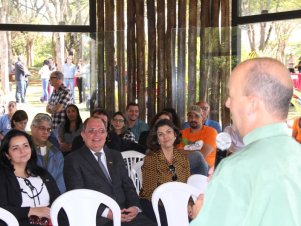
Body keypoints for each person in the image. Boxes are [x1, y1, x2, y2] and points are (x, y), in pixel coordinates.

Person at [191, 58, 301, 226]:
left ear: (252, 104)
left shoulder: (235, 169)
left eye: (231, 96)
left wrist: (200, 216)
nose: (227, 103)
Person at [64, 116, 156, 226]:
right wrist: (108, 213)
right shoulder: (73, 160)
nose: (97, 134)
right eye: (91, 131)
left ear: (106, 134)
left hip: (126, 214)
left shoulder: (115, 155)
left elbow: (128, 185)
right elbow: (78, 194)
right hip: (98, 218)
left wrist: (135, 207)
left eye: (101, 131)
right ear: (83, 135)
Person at [0, 130, 61, 226]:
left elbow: (58, 202)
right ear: (7, 154)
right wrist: (30, 211)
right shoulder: (3, 177)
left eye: (25, 146)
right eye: (15, 148)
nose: (22, 151)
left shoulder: (43, 174)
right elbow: (2, 209)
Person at [140, 119, 190, 226]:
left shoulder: (183, 158)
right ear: (158, 139)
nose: (165, 136)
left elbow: (186, 186)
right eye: (161, 134)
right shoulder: (151, 159)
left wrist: (189, 204)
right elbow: (149, 191)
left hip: (178, 203)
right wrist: (171, 204)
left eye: (168, 132)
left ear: (175, 134)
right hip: (154, 203)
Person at [30, 113, 66, 193]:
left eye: (48, 129)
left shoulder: (57, 153)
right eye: (42, 128)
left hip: (54, 196)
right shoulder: (24, 150)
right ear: (32, 127)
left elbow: (60, 180)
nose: (45, 132)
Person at [178, 105, 217, 172]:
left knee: (198, 156)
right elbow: (175, 153)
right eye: (190, 116)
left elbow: (202, 154)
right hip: (184, 168)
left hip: (206, 170)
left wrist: (183, 152)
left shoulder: (211, 132)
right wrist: (197, 150)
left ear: (202, 118)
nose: (193, 119)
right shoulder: (181, 133)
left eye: (196, 116)